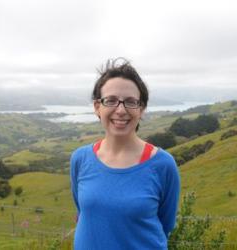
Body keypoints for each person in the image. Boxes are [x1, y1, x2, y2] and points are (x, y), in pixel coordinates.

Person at [70, 58, 180, 250]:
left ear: (142, 109)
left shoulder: (163, 165)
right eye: (110, 100)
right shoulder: (80, 159)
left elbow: (166, 224)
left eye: (130, 102)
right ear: (97, 107)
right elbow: (83, 213)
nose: (120, 110)